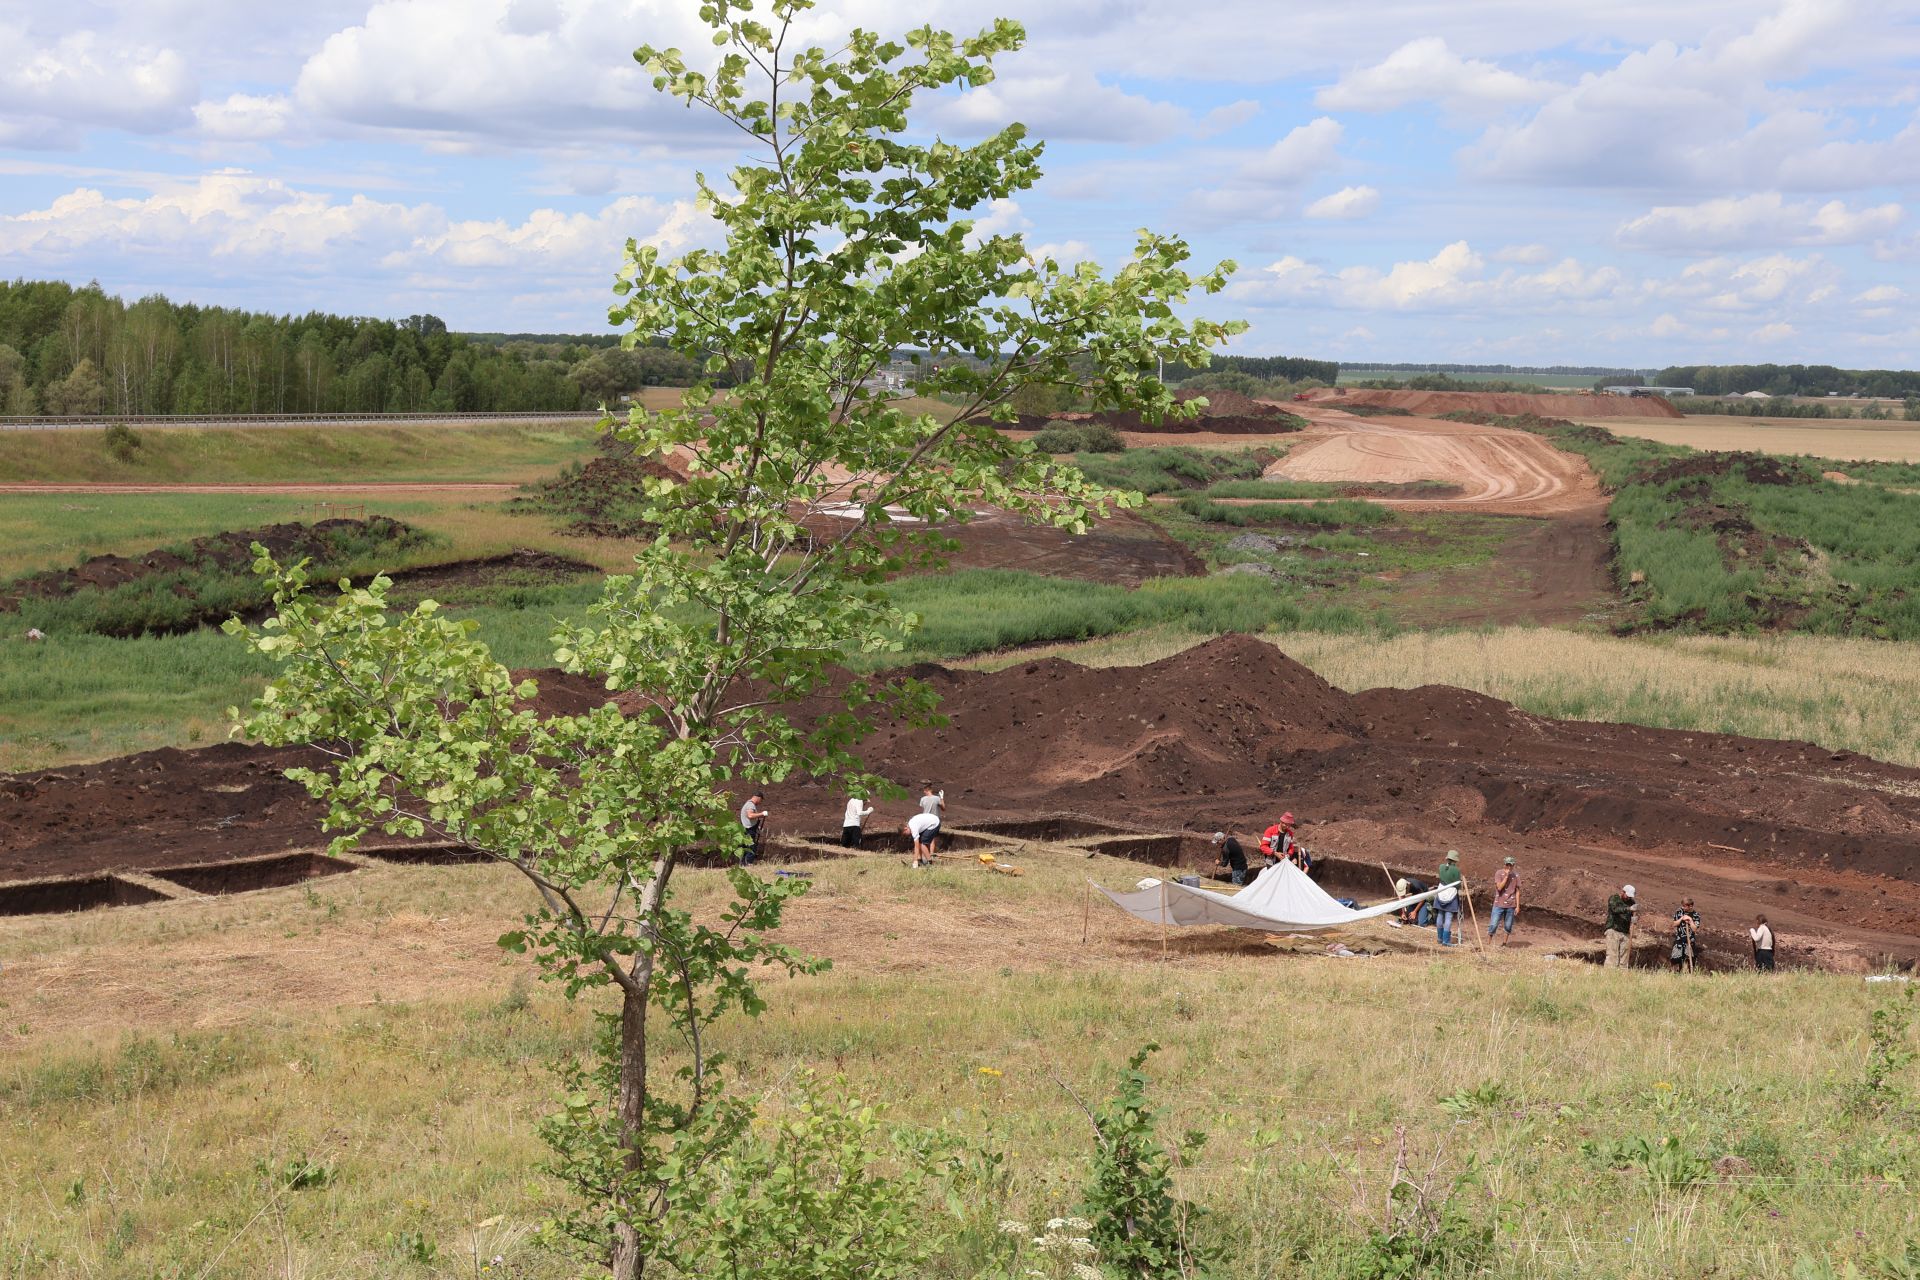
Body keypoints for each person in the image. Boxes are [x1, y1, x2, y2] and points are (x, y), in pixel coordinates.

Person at [1432, 850, 1463, 946]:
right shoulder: (1456, 870)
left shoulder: (1441, 867)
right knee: (1448, 917)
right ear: (1455, 860)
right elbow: (1457, 885)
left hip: (1441, 892)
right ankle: (1446, 941)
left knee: (1440, 915)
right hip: (1451, 894)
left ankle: (1439, 938)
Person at [1487, 856, 1520, 945]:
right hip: (1498, 904)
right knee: (1493, 924)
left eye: (1511, 865)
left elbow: (1517, 891)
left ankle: (1504, 944)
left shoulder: (1516, 875)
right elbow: (1499, 887)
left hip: (1511, 905)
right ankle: (1488, 944)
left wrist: (1517, 906)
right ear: (1504, 864)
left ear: (1513, 865)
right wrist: (1506, 876)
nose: (1509, 867)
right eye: (1507, 865)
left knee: (1508, 925)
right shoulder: (1498, 873)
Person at [1603, 884, 1637, 968]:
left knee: (1624, 958)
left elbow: (1632, 914)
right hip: (1613, 930)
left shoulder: (1631, 902)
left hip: (1625, 932)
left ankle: (1622, 975)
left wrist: (1634, 919)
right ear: (1623, 892)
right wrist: (1629, 909)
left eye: (1630, 897)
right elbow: (1615, 909)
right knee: (1612, 956)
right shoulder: (1614, 898)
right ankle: (1608, 975)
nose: (1628, 898)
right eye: (1627, 896)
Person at [1671, 898, 1702, 972]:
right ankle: (1674, 974)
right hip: (1679, 940)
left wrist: (1691, 921)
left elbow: (1695, 929)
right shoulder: (1679, 912)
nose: (1682, 907)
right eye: (1683, 906)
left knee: (1688, 959)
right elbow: (1674, 924)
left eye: (1684, 906)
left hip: (1689, 941)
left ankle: (1686, 974)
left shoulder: (1696, 915)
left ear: (1690, 906)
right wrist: (1682, 918)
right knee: (1675, 958)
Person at [739, 791, 769, 864]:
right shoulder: (750, 805)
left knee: (745, 848)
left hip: (745, 829)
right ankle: (748, 863)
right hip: (748, 830)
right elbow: (750, 815)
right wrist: (762, 814)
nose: (760, 802)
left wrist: (757, 827)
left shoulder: (748, 804)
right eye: (761, 800)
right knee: (751, 848)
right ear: (758, 798)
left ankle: (743, 864)